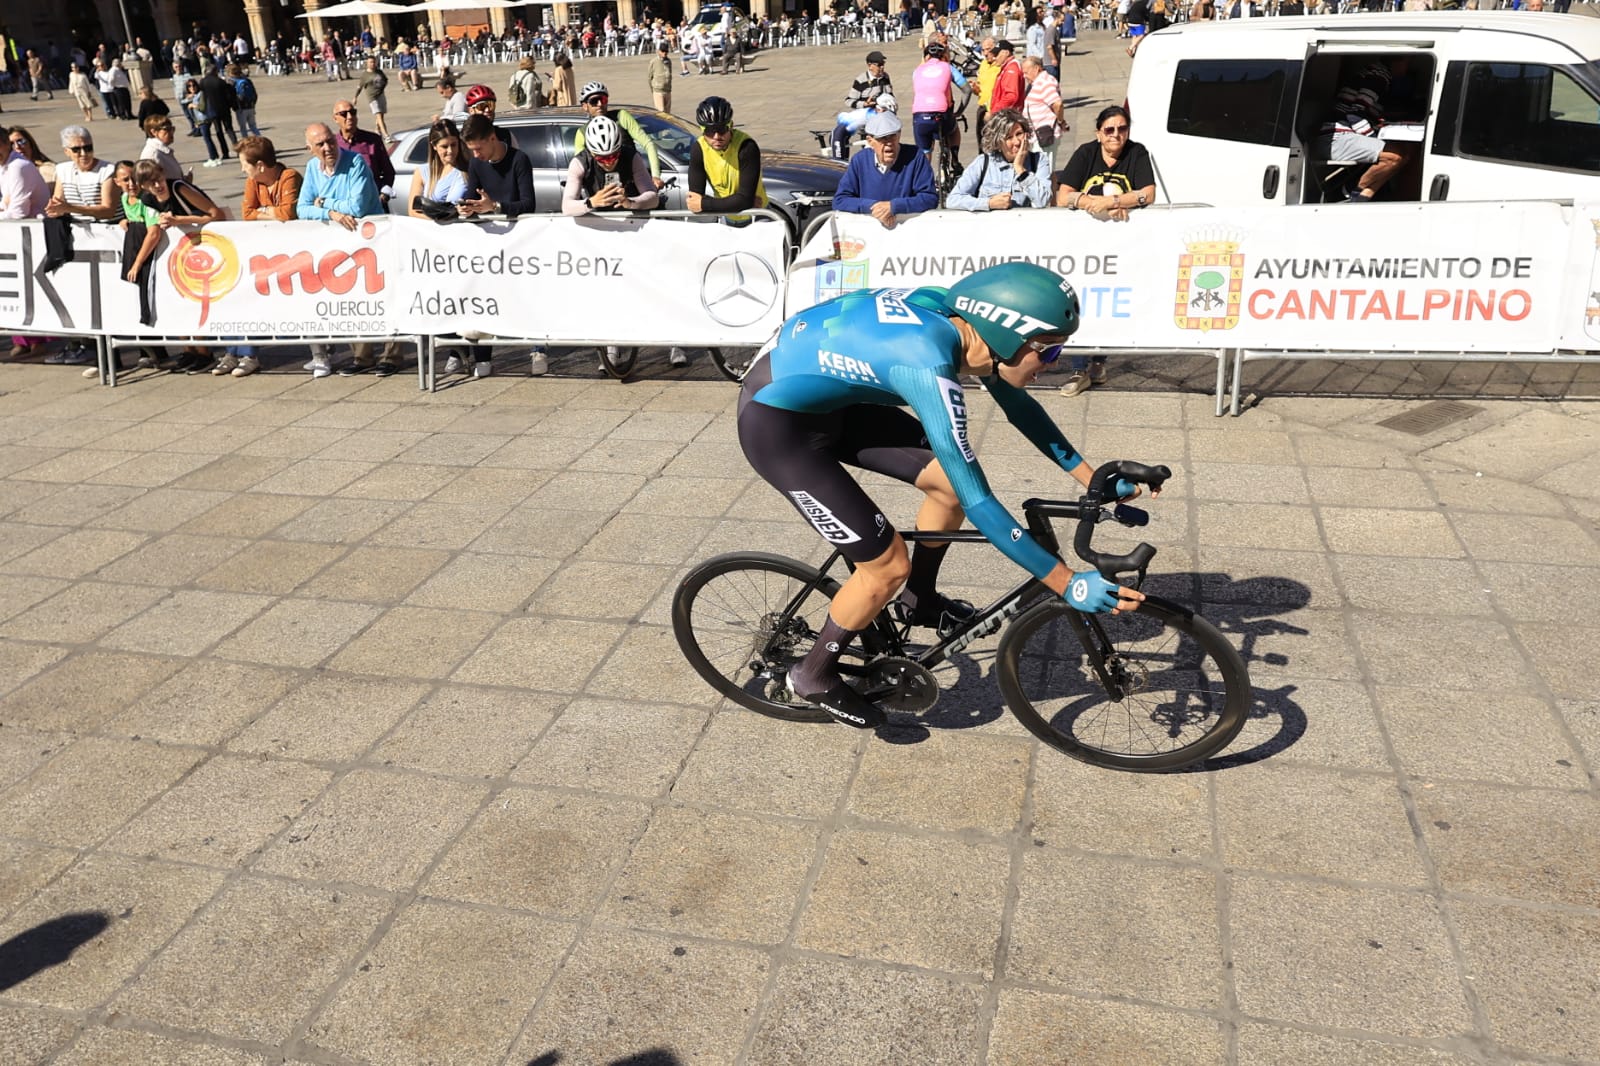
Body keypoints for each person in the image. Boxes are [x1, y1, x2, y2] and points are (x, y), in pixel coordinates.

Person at [737, 262, 1144, 728]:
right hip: (777, 425)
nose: (1052, 363)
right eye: (1049, 352)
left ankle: (921, 599)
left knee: (946, 486)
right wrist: (1067, 582)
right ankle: (813, 674)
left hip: (834, 405)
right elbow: (982, 504)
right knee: (886, 565)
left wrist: (1092, 478)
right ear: (1008, 336)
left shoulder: (963, 326)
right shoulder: (925, 362)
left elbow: (1019, 408)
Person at [1053, 105, 1156, 395]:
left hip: (1121, 245)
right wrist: (1090, 202)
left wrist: (1114, 202)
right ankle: (1077, 368)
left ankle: (1098, 362)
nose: (1116, 135)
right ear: (1099, 133)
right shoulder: (1086, 153)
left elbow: (1148, 193)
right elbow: (1063, 195)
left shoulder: (1137, 153)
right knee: (1080, 298)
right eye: (1109, 130)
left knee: (1107, 299)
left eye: (1122, 129)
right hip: (1083, 245)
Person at [298, 122, 383, 378]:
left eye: (330, 141)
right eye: (320, 145)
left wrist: (324, 201)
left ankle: (392, 355)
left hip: (370, 239)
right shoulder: (313, 168)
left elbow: (356, 207)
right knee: (351, 300)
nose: (328, 148)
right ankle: (362, 356)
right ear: (310, 148)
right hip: (338, 247)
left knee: (379, 298)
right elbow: (301, 208)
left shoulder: (355, 162)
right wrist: (332, 212)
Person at [1314, 63, 1413, 205]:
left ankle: (1360, 198)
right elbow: (1356, 115)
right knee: (1394, 156)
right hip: (1335, 136)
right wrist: (1374, 138)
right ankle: (1350, 193)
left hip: (1345, 132)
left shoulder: (1378, 74)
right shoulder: (1379, 75)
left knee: (1404, 153)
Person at [832, 109, 938, 229]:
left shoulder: (916, 157)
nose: (889, 143)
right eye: (883, 138)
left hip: (907, 232)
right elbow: (840, 200)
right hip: (868, 232)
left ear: (899, 135)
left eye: (893, 136)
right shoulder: (860, 160)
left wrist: (893, 207)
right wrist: (874, 207)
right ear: (870, 141)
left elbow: (929, 198)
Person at [945, 108, 1051, 211]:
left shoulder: (1039, 160)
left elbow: (1043, 200)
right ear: (998, 143)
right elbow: (953, 200)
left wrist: (1020, 169)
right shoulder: (983, 163)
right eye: (1009, 137)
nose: (1017, 142)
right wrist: (989, 203)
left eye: (1019, 134)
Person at [574, 81, 664, 190]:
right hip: (601, 188)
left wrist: (655, 176)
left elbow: (648, 144)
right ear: (585, 106)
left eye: (603, 99)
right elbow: (580, 163)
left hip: (631, 181)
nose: (599, 104)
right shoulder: (582, 132)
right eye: (594, 101)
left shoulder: (621, 117)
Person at [910, 41, 971, 169]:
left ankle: (925, 176)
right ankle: (955, 161)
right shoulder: (948, 67)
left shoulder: (916, 71)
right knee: (953, 130)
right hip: (941, 113)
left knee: (925, 150)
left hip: (919, 114)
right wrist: (959, 111)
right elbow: (967, 90)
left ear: (926, 57)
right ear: (943, 56)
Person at [830, 49, 894, 161]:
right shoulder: (861, 80)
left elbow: (890, 96)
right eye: (879, 65)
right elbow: (849, 100)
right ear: (870, 66)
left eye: (883, 64)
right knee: (841, 132)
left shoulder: (885, 78)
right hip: (865, 116)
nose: (882, 67)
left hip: (880, 118)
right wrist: (864, 104)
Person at [407, 119, 470, 220]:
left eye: (453, 145)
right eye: (444, 146)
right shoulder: (422, 172)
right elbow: (413, 211)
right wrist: (439, 222)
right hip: (433, 231)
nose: (450, 151)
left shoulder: (469, 170)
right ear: (434, 146)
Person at [1020, 56, 1065, 176]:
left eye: (1026, 72)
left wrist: (1060, 121)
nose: (1024, 76)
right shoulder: (1038, 82)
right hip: (1037, 135)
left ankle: (1047, 194)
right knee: (1042, 170)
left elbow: (1057, 103)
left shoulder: (1045, 82)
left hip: (1045, 134)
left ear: (1037, 69)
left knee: (1045, 171)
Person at [198, 64, 239, 162]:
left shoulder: (203, 82)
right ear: (215, 71)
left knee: (219, 132)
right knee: (229, 129)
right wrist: (233, 106)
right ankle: (237, 149)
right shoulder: (220, 82)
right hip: (224, 109)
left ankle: (225, 153)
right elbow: (228, 96)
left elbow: (202, 94)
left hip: (212, 110)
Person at [139, 115, 188, 184]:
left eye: (172, 129)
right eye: (167, 129)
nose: (171, 132)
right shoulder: (153, 154)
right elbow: (153, 184)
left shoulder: (163, 151)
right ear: (154, 132)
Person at [989, 39, 1026, 113]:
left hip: (1008, 115)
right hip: (1005, 113)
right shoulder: (1007, 67)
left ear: (1006, 53)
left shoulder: (1011, 69)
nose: (994, 58)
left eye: (997, 54)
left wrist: (994, 111)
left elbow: (1011, 96)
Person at [230, 63, 261, 138]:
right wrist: (253, 104)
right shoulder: (247, 80)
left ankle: (246, 143)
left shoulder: (232, 82)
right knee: (253, 126)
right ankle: (260, 140)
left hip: (241, 108)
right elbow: (255, 94)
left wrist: (235, 106)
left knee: (243, 128)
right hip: (251, 106)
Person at [647, 40, 672, 112]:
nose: (665, 53)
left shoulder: (669, 61)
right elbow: (649, 77)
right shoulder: (654, 61)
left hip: (667, 90)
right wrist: (653, 89)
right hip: (658, 90)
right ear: (659, 51)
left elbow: (669, 75)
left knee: (667, 112)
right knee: (661, 111)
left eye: (666, 51)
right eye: (663, 51)